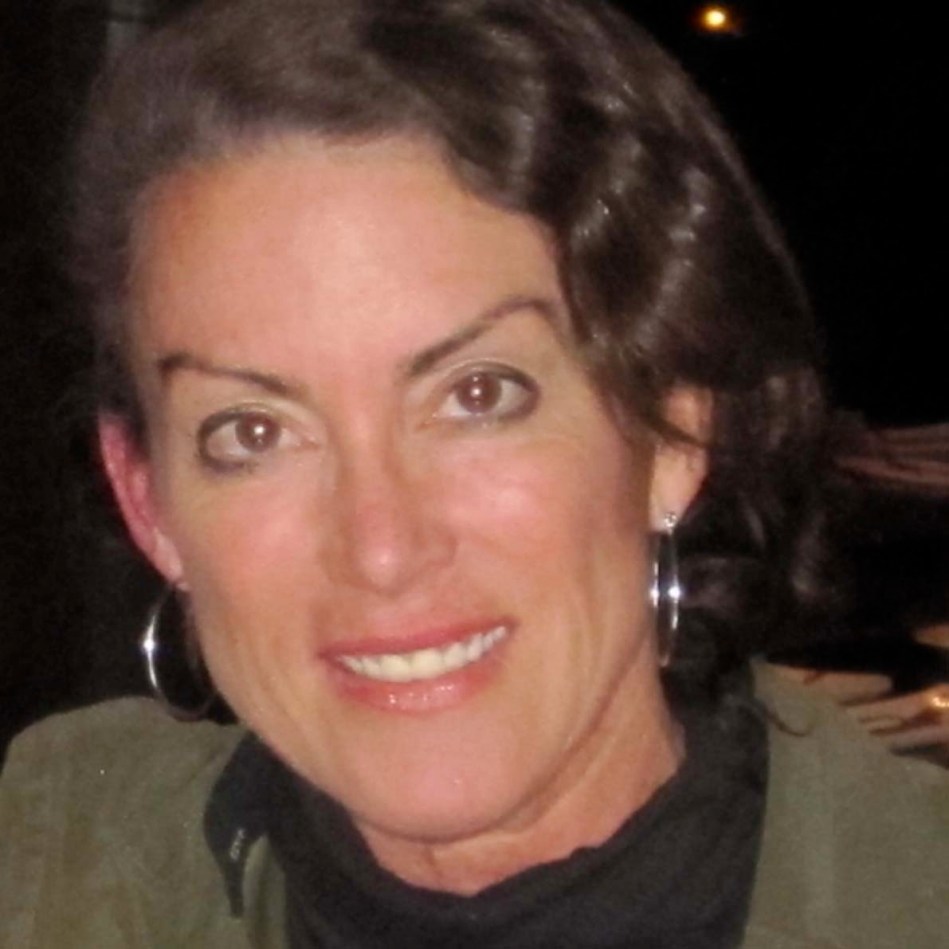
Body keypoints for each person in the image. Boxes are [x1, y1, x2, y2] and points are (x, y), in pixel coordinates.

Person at [1, 0, 946, 945]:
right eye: (253, 432)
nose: (382, 548)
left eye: (477, 394)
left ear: (672, 431)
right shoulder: (45, 878)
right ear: (148, 501)